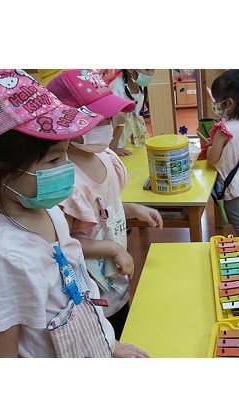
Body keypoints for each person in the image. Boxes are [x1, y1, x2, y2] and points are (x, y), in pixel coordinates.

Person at [0, 69, 149, 358]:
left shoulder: (44, 207)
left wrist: (109, 344)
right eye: (53, 160)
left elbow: (81, 283)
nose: (67, 168)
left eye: (66, 154)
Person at [46, 69, 163, 340]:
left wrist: (133, 210)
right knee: (105, 340)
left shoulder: (106, 157)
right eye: (97, 119)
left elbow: (106, 210)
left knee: (123, 329)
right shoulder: (66, 182)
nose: (107, 125)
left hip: (117, 283)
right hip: (89, 292)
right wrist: (112, 248)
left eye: (108, 118)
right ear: (66, 123)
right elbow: (62, 243)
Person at [207, 69, 239, 240]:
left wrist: (211, 148)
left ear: (229, 103)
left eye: (217, 102)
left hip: (231, 185)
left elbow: (212, 159)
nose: (216, 105)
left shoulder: (223, 130)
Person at [106, 69, 155, 156]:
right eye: (147, 69)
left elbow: (134, 116)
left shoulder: (140, 86)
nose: (151, 73)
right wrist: (114, 147)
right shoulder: (116, 87)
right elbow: (116, 120)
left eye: (153, 69)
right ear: (130, 69)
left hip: (122, 143)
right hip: (110, 146)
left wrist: (135, 138)